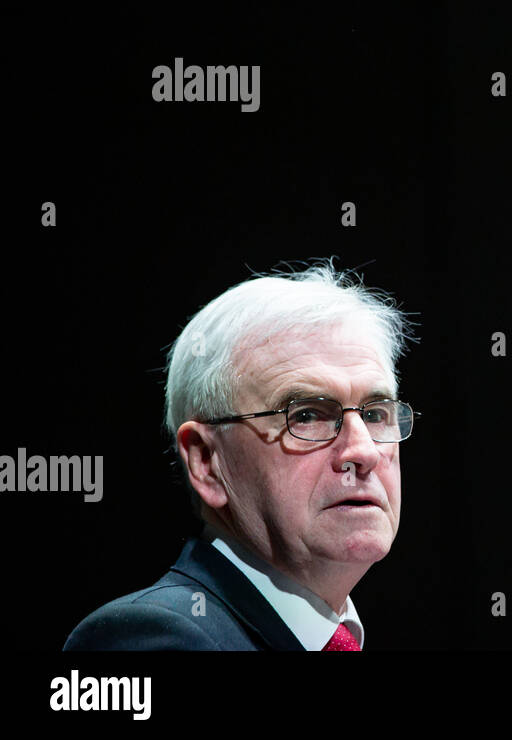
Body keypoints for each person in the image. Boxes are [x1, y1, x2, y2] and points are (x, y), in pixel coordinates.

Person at [64, 262, 417, 650]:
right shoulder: (155, 637)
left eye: (374, 414)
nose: (363, 451)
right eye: (306, 415)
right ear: (206, 462)